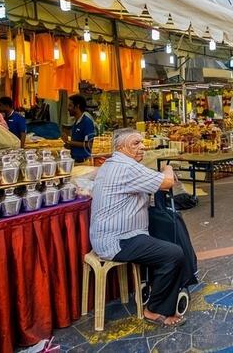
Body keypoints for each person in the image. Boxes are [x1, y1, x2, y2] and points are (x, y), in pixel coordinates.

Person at [90, 128, 185, 327]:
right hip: (118, 240)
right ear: (121, 147)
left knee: (161, 233)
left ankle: (155, 288)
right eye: (136, 143)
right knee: (173, 253)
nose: (143, 146)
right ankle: (154, 309)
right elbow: (167, 182)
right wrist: (168, 167)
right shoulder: (126, 167)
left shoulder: (113, 163)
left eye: (142, 142)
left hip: (115, 235)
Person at [62, 94, 95, 164]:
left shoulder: (86, 122)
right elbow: (75, 143)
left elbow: (89, 144)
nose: (68, 108)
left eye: (70, 105)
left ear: (77, 106)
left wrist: (69, 142)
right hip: (75, 160)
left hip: (83, 162)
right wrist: (66, 143)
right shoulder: (76, 122)